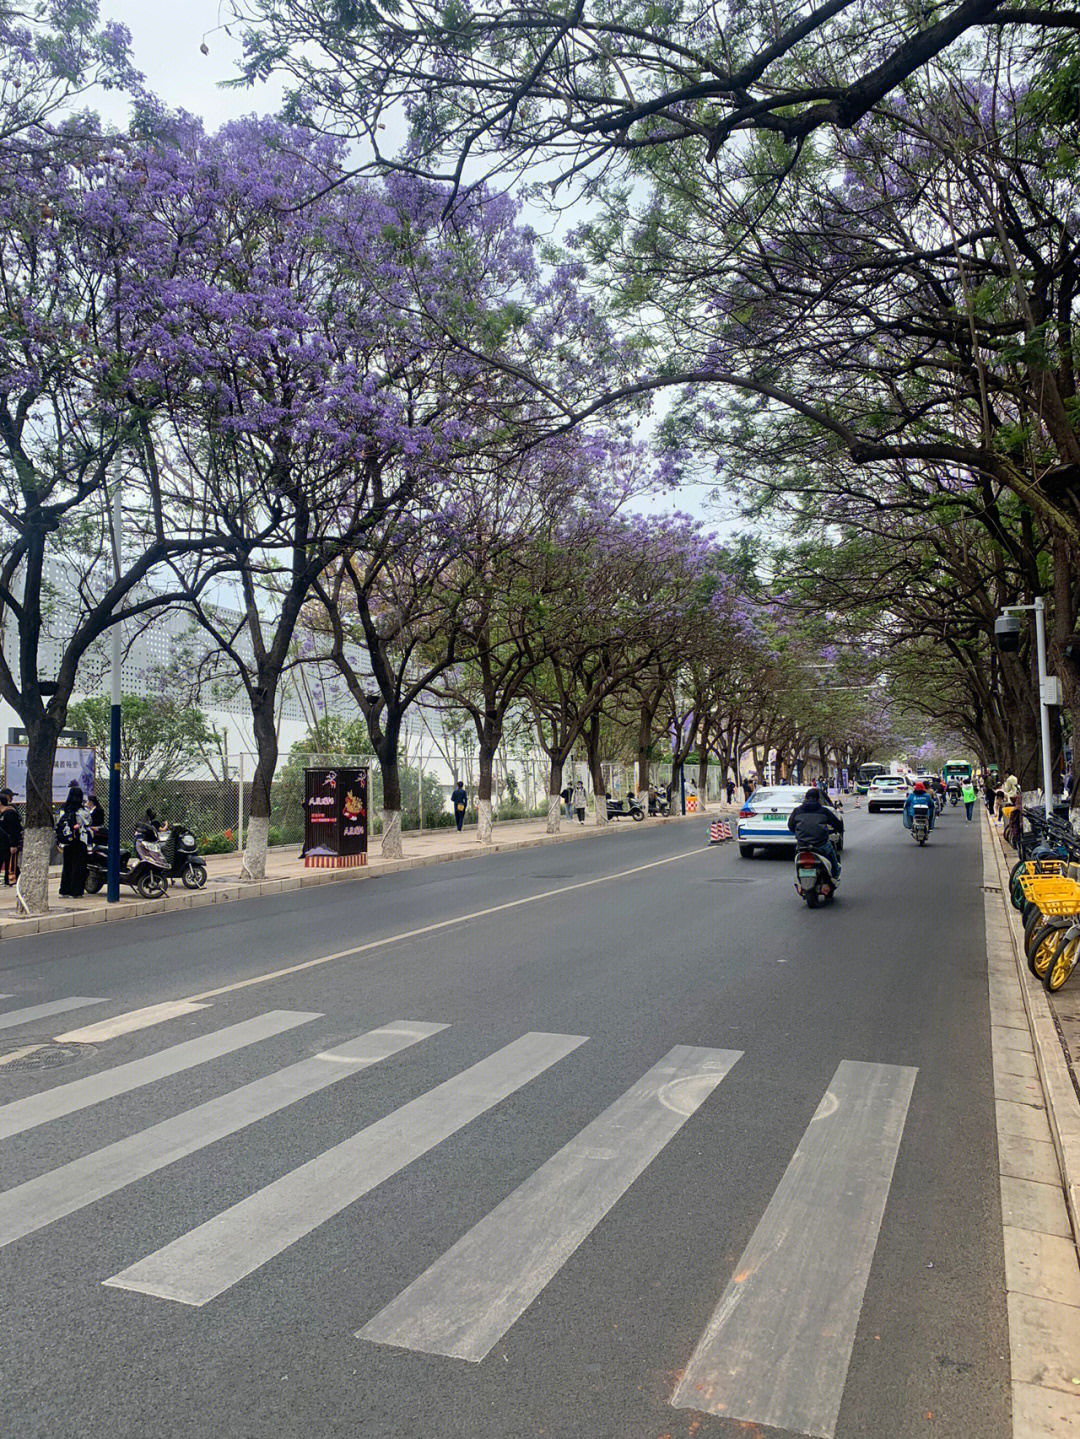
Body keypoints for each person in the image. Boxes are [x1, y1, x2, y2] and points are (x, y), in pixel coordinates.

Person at [787, 787, 844, 877]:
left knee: (797, 860)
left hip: (802, 845)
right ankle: (835, 874)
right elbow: (837, 824)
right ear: (818, 799)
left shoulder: (797, 811)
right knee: (833, 857)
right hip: (821, 845)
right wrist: (839, 830)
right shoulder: (824, 811)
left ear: (805, 798)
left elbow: (791, 826)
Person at [56, 784, 91, 898]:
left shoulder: (63, 810)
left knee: (67, 865)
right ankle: (75, 891)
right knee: (79, 866)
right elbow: (88, 823)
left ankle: (64, 889)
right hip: (80, 840)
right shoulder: (83, 811)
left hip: (67, 841)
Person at [0, 789, 21, 886]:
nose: (11, 798)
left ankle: (10, 880)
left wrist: (14, 844)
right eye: (10, 796)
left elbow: (14, 829)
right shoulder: (2, 812)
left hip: (8, 843)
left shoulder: (11, 811)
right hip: (2, 843)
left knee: (10, 863)